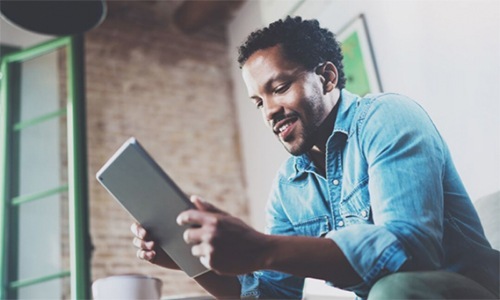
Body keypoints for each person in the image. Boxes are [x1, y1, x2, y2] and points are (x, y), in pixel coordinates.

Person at [131, 16, 499, 299]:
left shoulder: (387, 117)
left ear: (326, 77)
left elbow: (410, 252)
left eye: (279, 88)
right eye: (259, 102)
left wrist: (264, 249)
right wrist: (189, 259)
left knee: (393, 290)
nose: (269, 112)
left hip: (472, 289)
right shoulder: (289, 187)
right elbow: (273, 295)